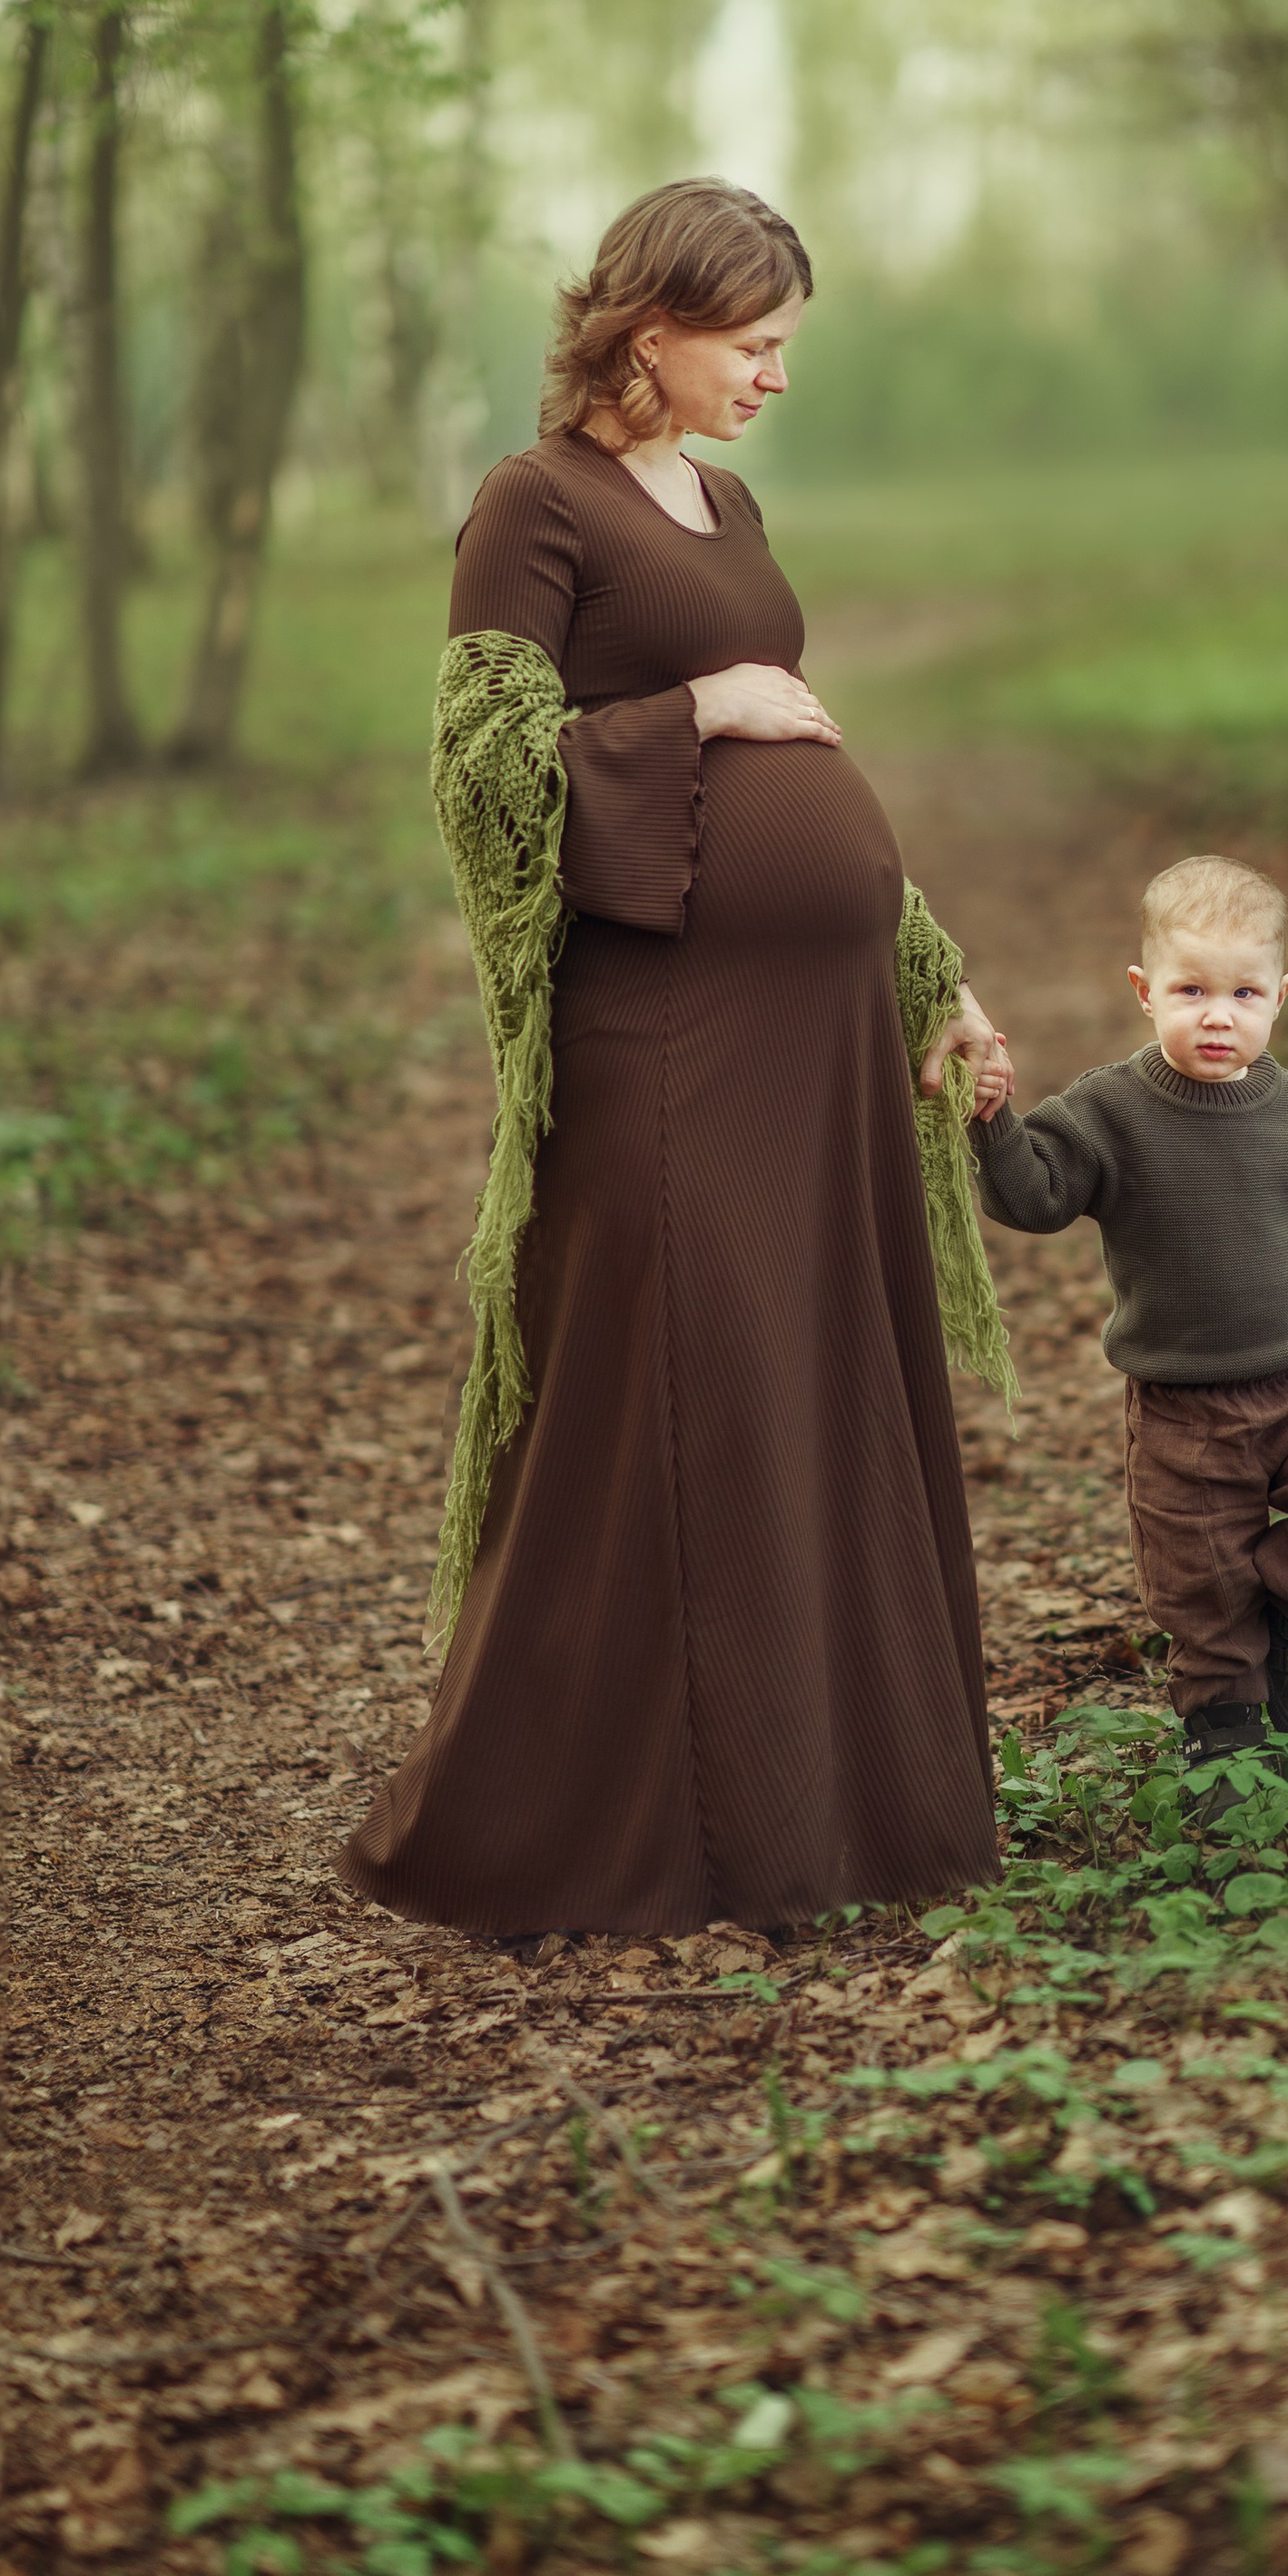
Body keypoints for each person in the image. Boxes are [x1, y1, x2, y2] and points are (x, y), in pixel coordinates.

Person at [342, 179, 1015, 1946]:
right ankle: (639, 1826)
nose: (777, 377)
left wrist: (929, 975)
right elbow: (484, 774)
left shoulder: (725, 499)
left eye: (787, 347)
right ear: (653, 334)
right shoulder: (531, 504)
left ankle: (846, 1800)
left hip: (813, 1045)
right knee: (671, 1398)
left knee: (805, 1384)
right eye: (756, 344)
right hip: (665, 1040)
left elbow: (812, 769)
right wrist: (690, 710)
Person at [968, 854, 1288, 1800]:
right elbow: (1035, 1197)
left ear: (1281, 996)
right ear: (1145, 990)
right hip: (1184, 1401)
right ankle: (1223, 1723)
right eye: (1191, 989)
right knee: (1202, 1576)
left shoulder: (1285, 1103)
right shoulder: (1110, 1109)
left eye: (1243, 993)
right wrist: (993, 1122)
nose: (1217, 1015)